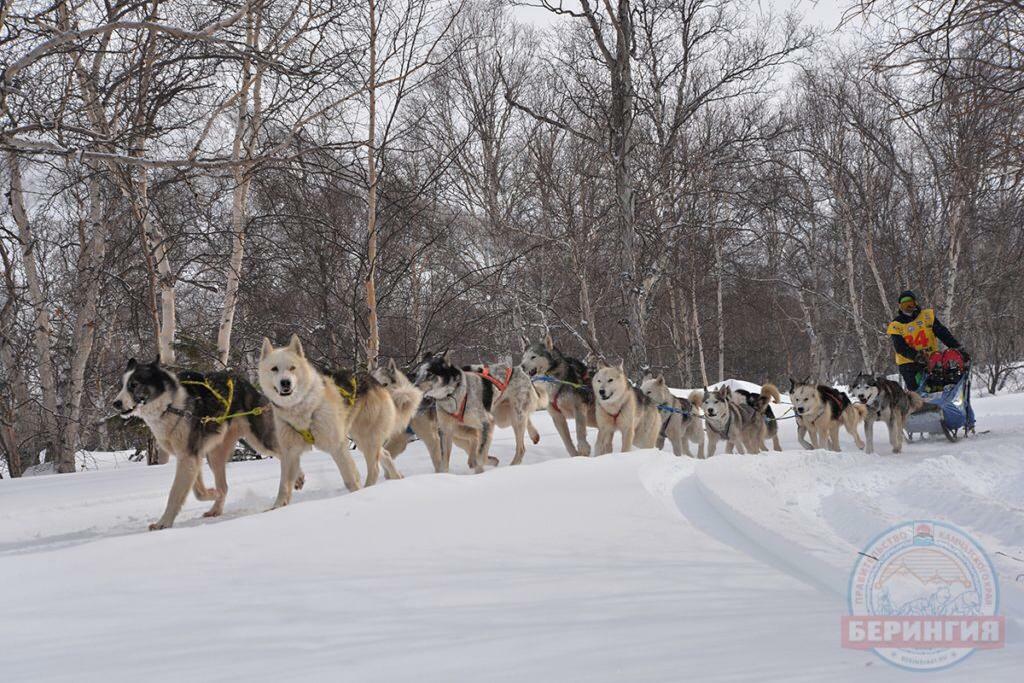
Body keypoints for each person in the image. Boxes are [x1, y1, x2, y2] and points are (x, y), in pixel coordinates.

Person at [886, 290, 965, 390]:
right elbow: (900, 347)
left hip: (932, 359)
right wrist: (917, 356)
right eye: (904, 305)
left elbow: (943, 334)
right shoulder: (895, 325)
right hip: (909, 363)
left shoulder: (927, 317)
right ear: (900, 307)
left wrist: (957, 348)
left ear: (915, 303)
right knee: (918, 394)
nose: (908, 307)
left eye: (910, 303)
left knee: (937, 389)